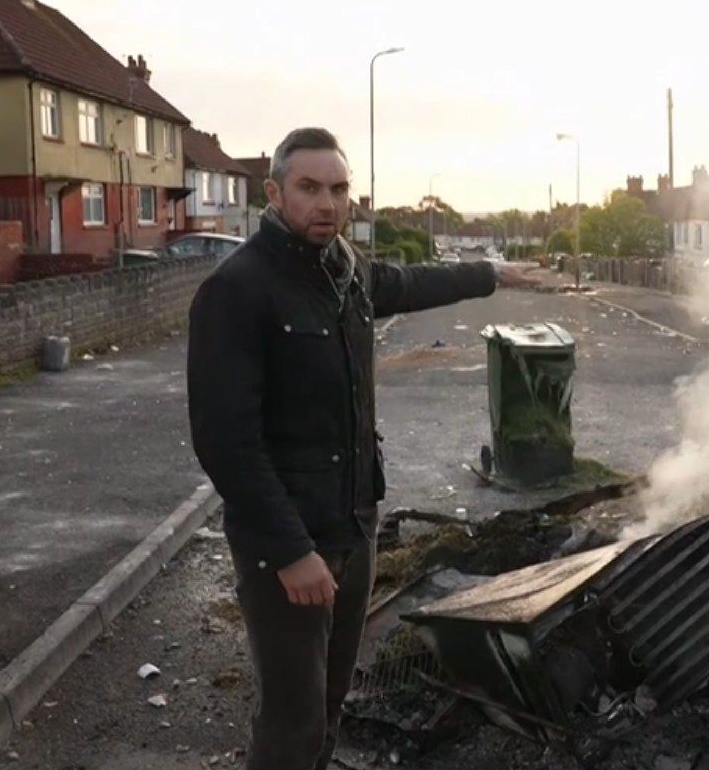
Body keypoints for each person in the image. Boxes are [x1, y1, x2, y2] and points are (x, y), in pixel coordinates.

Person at [187, 127, 530, 770]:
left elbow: (413, 282)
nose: (327, 203)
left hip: (354, 526)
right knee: (293, 722)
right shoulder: (238, 289)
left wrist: (491, 274)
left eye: (339, 189)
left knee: (331, 702)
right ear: (274, 193)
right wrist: (292, 552)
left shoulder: (347, 272)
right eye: (309, 188)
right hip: (289, 546)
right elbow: (225, 443)